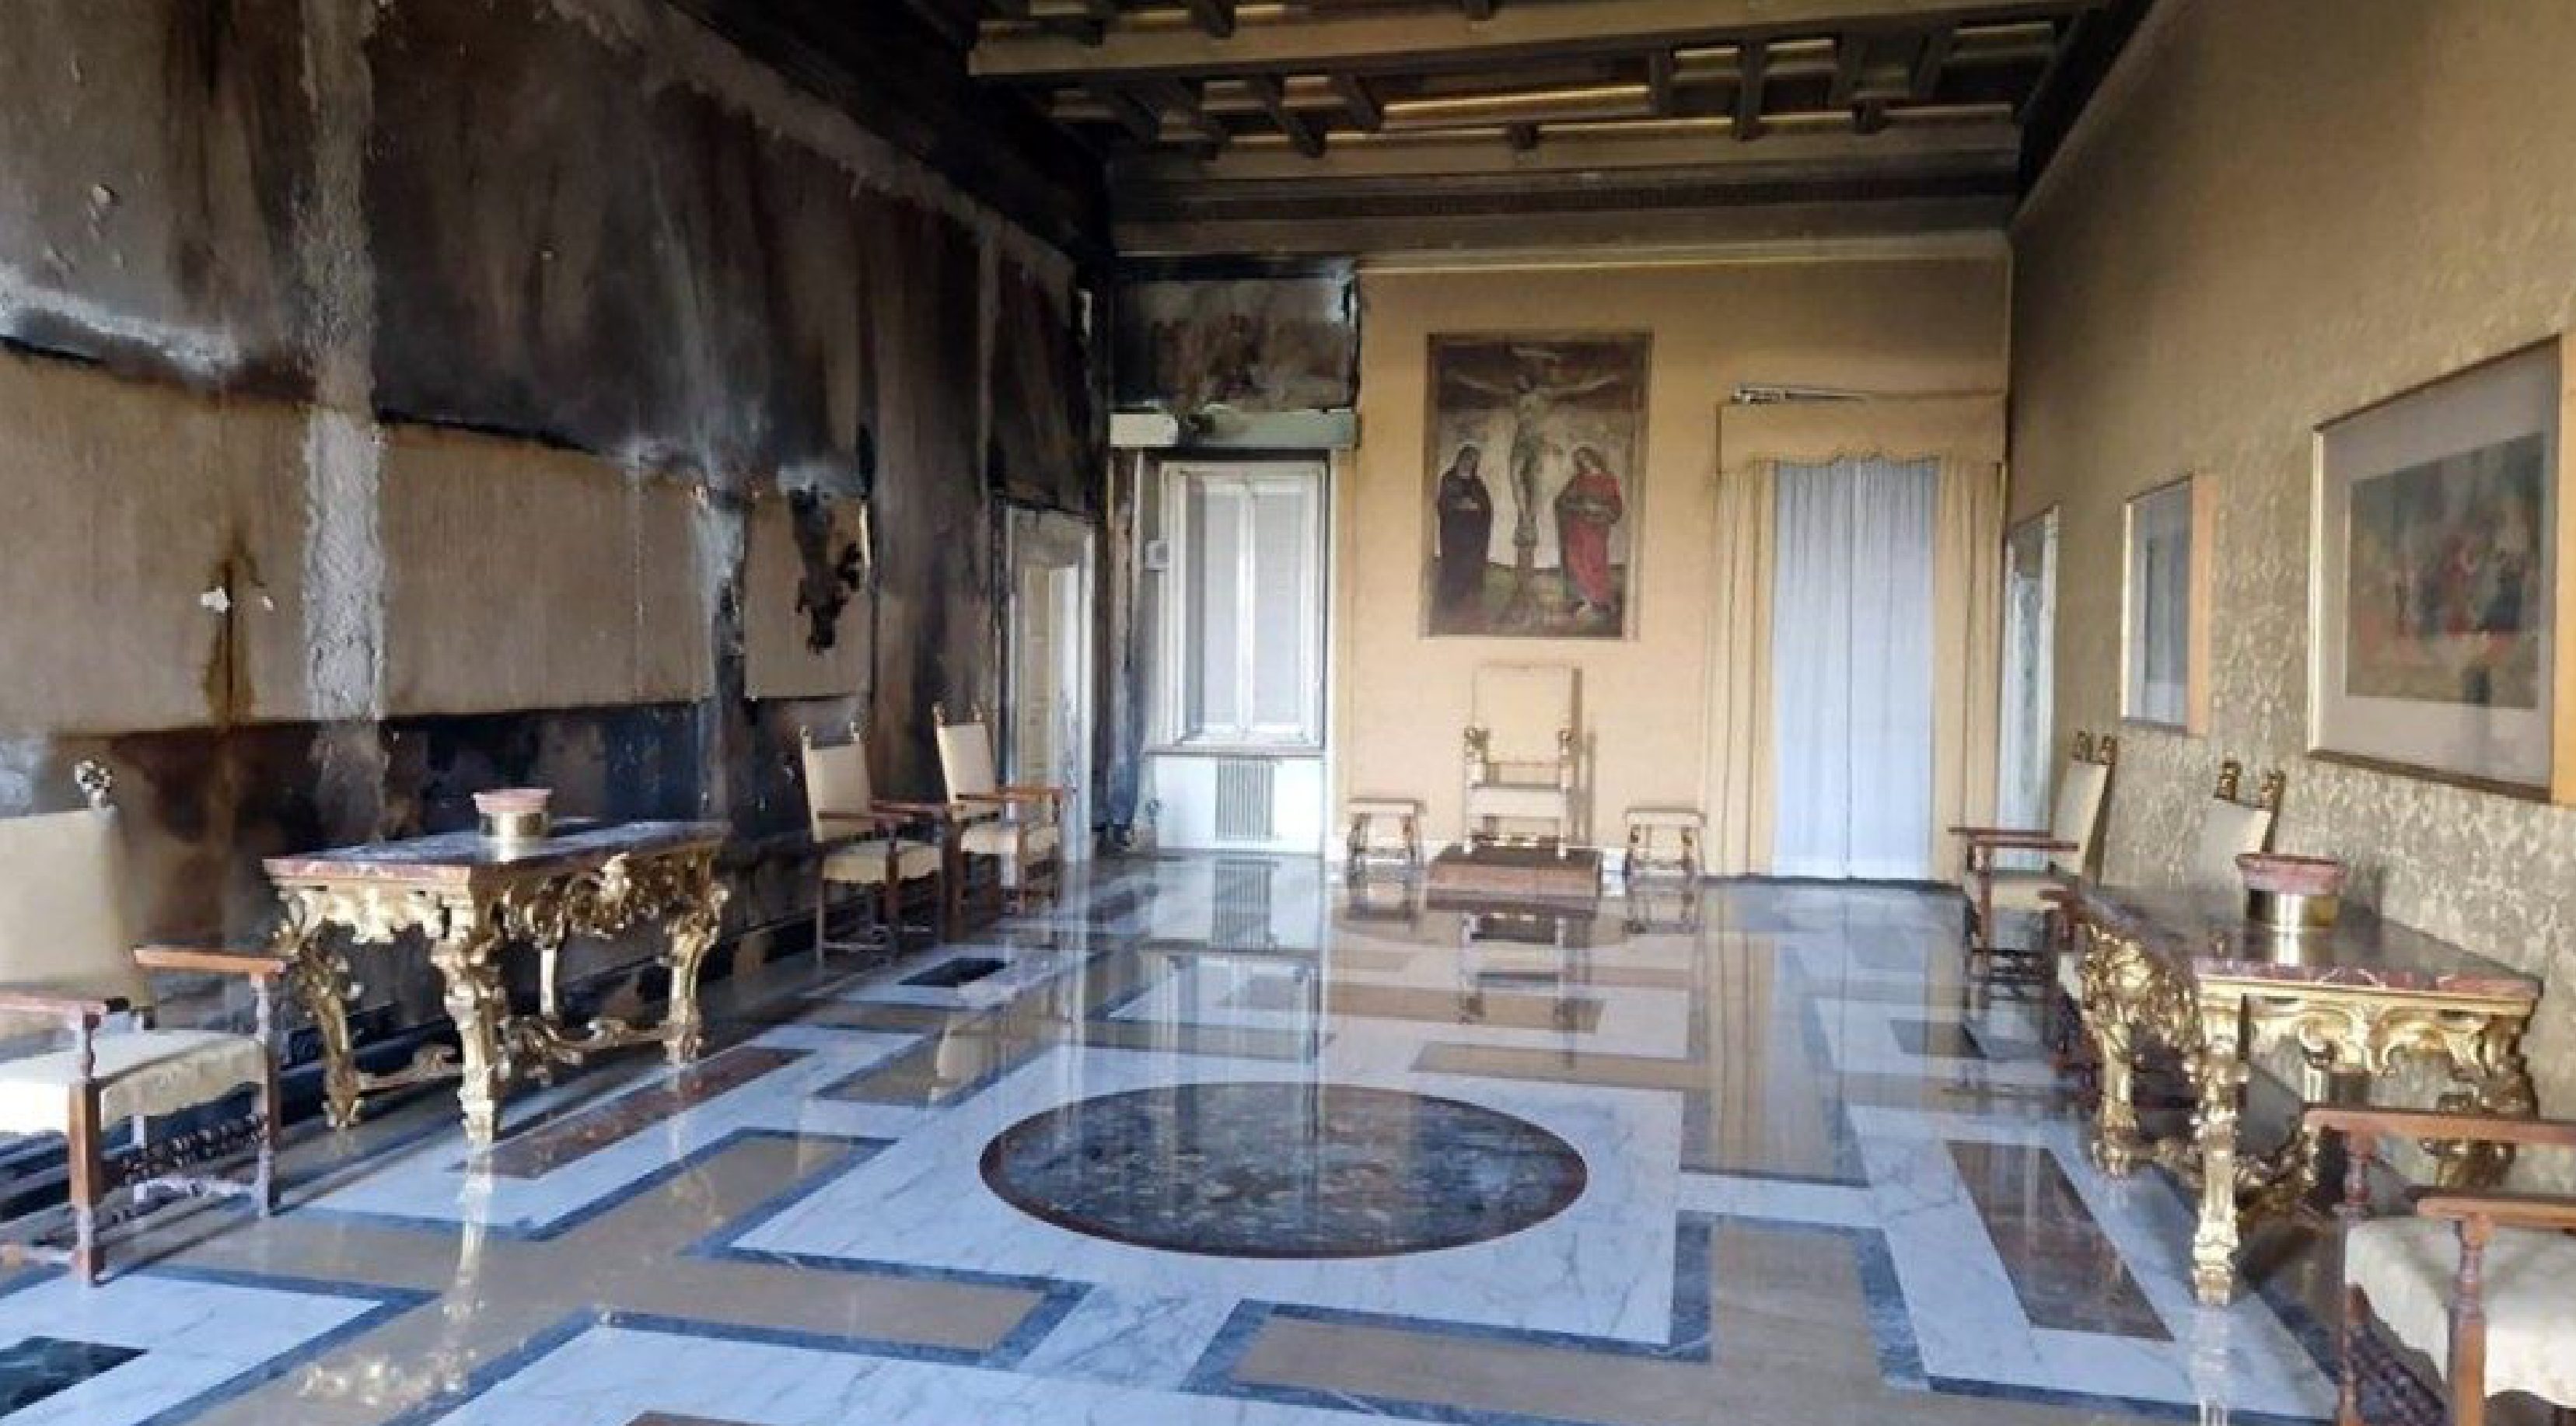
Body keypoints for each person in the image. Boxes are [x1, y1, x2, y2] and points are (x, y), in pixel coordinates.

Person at [1554, 445, 1624, 619]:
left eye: (1584, 458)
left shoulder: (1608, 480)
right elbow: (1561, 502)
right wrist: (1580, 506)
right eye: (1579, 460)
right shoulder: (1577, 480)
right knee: (1575, 561)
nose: (1582, 463)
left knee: (1595, 560)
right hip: (1577, 528)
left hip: (1597, 528)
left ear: (1593, 458)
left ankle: (1599, 600)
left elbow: (1616, 507)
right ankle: (1578, 600)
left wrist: (1598, 508)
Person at [1433, 444, 1494, 617]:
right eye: (1469, 459)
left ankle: (1469, 605)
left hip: (1473, 536)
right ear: (1461, 458)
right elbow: (1443, 504)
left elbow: (1486, 506)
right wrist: (1460, 505)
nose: (1470, 463)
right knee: (1454, 567)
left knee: (1471, 567)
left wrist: (1478, 507)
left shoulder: (1477, 483)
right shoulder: (1449, 479)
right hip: (1454, 534)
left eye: (1474, 461)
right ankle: (1450, 605)